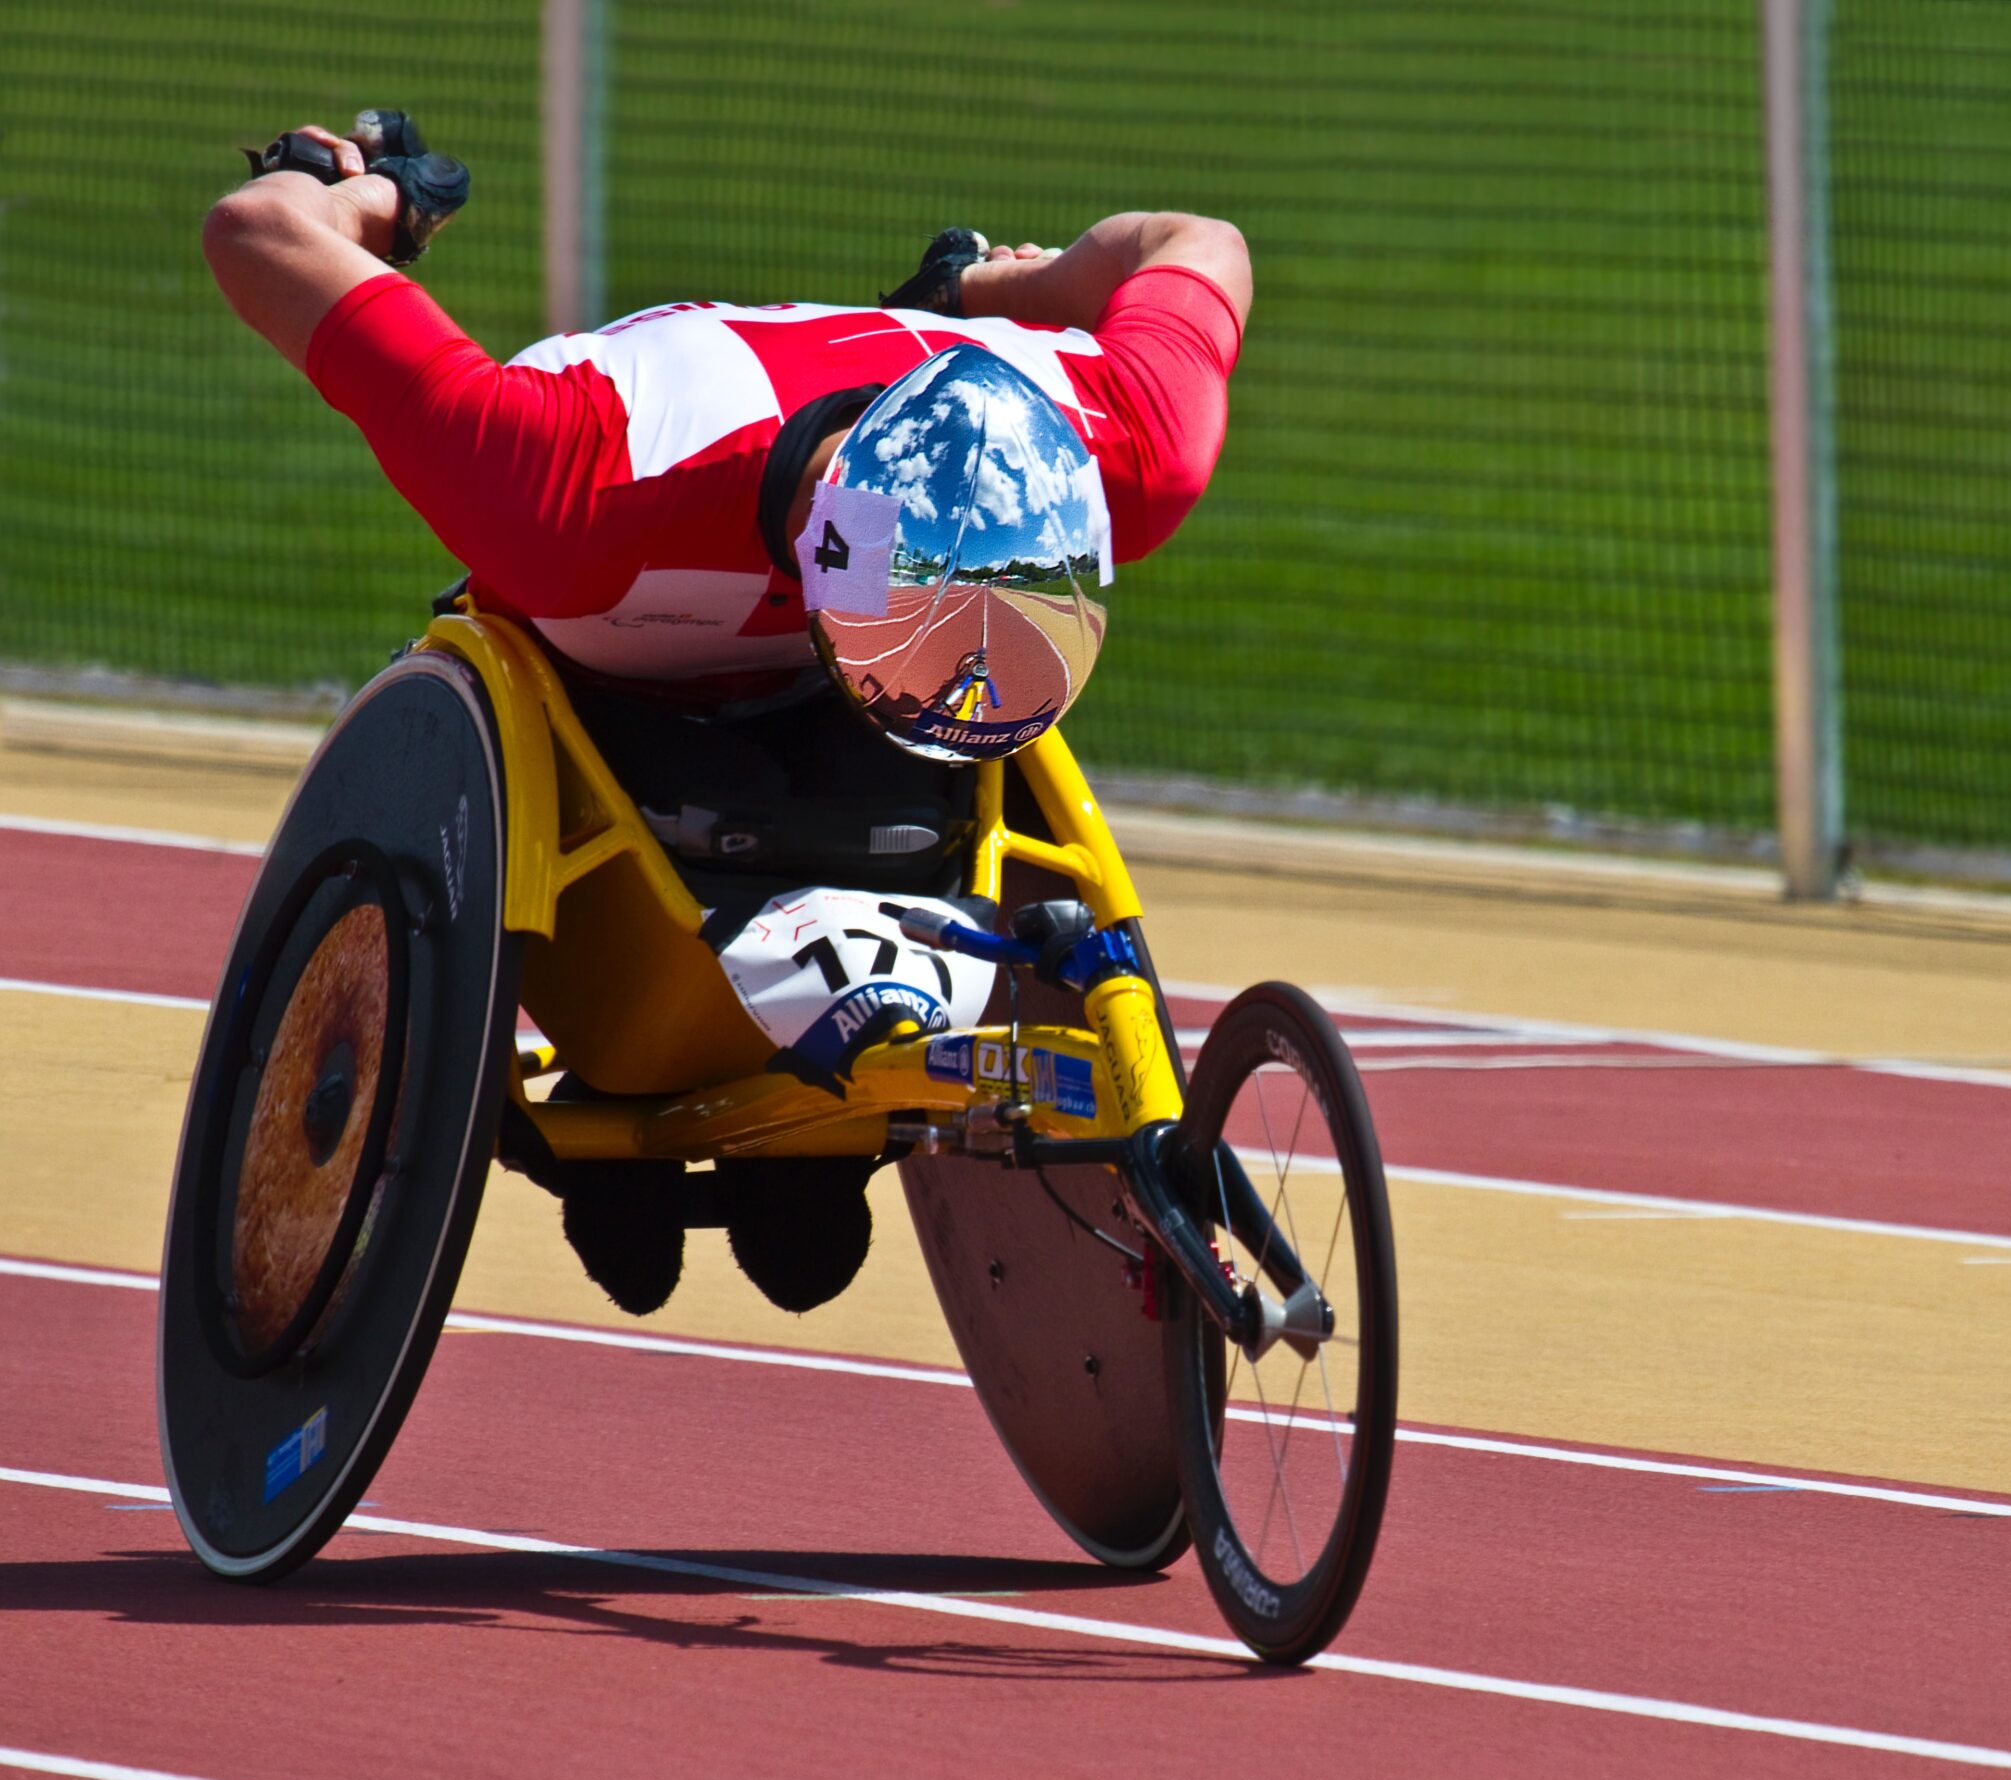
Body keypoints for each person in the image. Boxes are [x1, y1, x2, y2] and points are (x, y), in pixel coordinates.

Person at [202, 112, 1252, 1315]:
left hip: (840, 684)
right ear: (827, 566)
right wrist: (354, 203)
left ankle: (798, 1138)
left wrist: (1001, 289)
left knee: (899, 842)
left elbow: (1198, 240)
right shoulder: (554, 476)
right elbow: (255, 232)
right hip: (605, 683)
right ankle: (646, 1097)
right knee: (693, 1174)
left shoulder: (1125, 451)